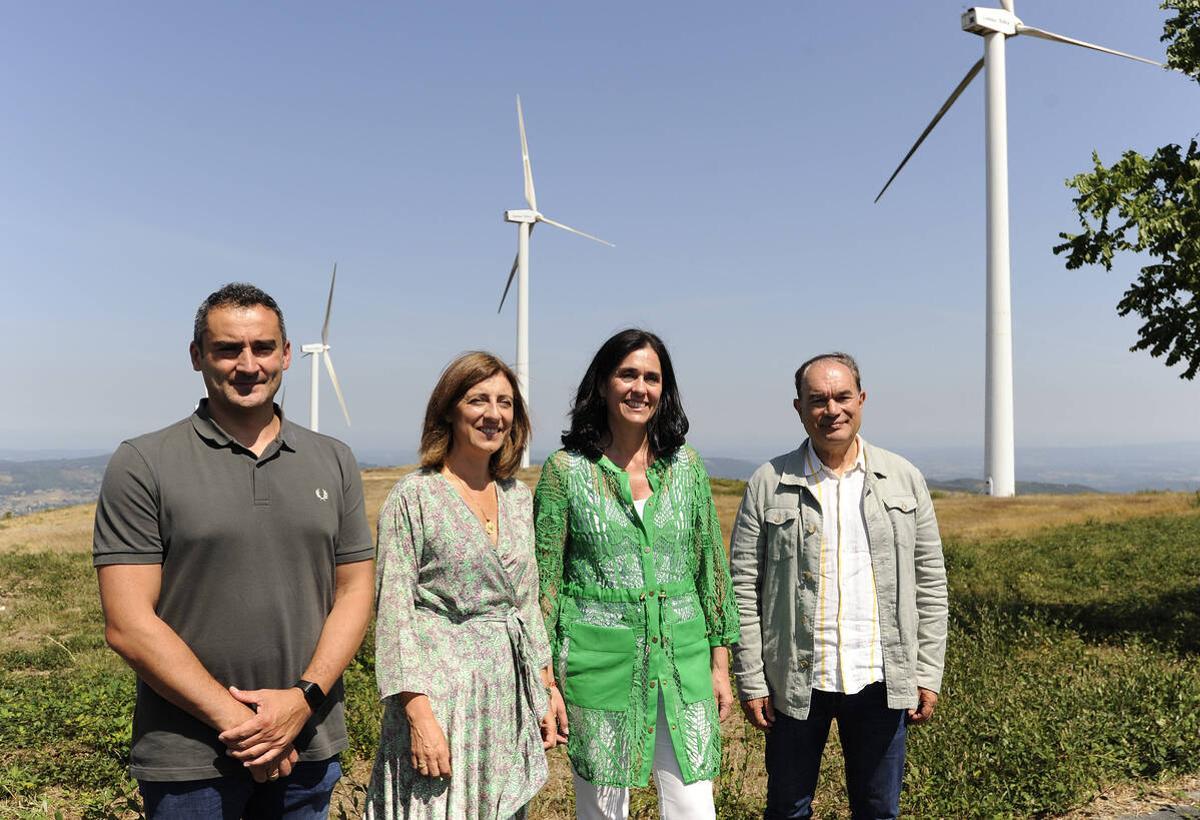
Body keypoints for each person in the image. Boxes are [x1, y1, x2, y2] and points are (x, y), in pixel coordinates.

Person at [93, 282, 375, 818]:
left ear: (287, 355)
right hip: (190, 760)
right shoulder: (143, 463)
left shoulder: (334, 461)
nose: (248, 364)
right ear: (197, 356)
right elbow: (127, 623)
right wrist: (245, 726)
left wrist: (301, 701)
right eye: (227, 349)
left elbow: (355, 590)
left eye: (263, 347)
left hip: (308, 746)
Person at [729, 352, 948, 820]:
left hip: (879, 677)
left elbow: (930, 583)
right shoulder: (769, 483)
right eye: (818, 400)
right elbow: (742, 587)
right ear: (799, 408)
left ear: (862, 400)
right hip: (794, 679)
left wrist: (926, 672)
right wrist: (750, 678)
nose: (832, 410)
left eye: (842, 396)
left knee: (877, 810)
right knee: (788, 808)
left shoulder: (903, 479)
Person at [534, 328, 740, 820]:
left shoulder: (685, 467)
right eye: (627, 374)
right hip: (598, 666)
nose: (639, 388)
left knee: (694, 807)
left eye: (652, 378)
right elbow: (544, 583)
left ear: (663, 390)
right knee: (603, 811)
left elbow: (711, 567)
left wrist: (719, 663)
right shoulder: (565, 471)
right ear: (603, 384)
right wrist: (546, 682)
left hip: (682, 662)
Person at [367, 352, 564, 820]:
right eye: (478, 400)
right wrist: (419, 716)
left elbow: (527, 603)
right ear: (449, 410)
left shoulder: (518, 498)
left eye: (505, 403)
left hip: (503, 695)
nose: (493, 414)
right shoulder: (415, 497)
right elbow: (394, 615)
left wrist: (544, 684)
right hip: (439, 699)